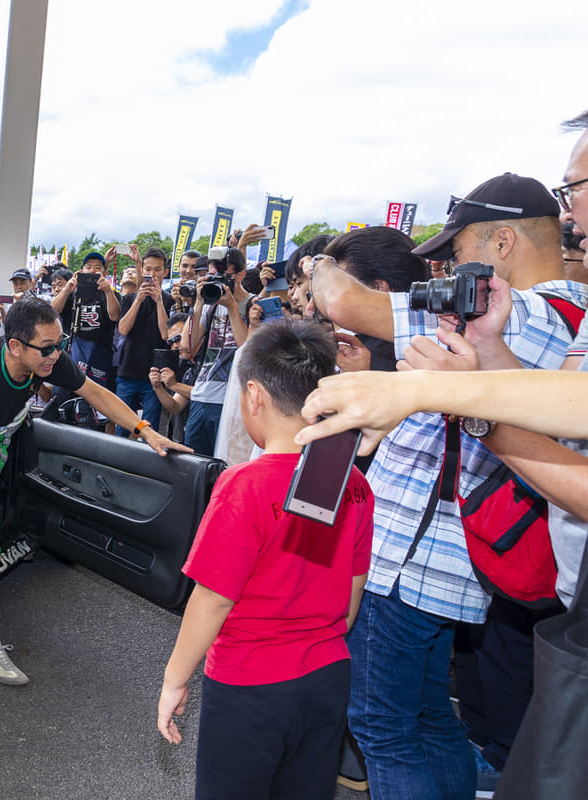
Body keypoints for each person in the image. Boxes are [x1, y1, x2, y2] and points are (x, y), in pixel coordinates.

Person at [309, 171, 585, 798]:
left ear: (504, 244)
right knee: (433, 723)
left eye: (458, 257)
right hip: (457, 559)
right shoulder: (572, 319)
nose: (447, 278)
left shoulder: (520, 311)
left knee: (382, 726)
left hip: (412, 557)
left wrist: (323, 261)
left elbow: (344, 303)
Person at [0, 297, 190, 684]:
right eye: (48, 348)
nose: (58, 355)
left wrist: (145, 432)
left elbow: (95, 393)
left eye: (61, 343)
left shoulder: (44, 355)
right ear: (16, 346)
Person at [157, 320, 373, 800]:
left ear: (253, 395)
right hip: (327, 674)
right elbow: (353, 593)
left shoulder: (244, 485)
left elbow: (212, 598)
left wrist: (175, 679)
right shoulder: (355, 484)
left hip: (248, 684)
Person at [182, 247, 249, 455]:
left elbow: (246, 348)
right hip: (201, 395)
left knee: (223, 463)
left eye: (223, 276)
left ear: (240, 275)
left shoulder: (253, 304)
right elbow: (188, 348)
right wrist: (199, 304)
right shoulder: (209, 306)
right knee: (194, 464)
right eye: (212, 276)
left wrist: (231, 307)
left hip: (230, 400)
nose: (217, 281)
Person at [114, 245, 175, 437]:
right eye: (148, 269)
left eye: (157, 270)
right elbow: (123, 329)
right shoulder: (130, 298)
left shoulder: (169, 300)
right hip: (128, 371)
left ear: (165, 272)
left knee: (150, 429)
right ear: (142, 270)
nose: (152, 274)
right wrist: (138, 300)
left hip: (154, 375)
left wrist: (158, 301)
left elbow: (166, 334)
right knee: (122, 426)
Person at [51, 251, 121, 391]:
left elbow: (114, 316)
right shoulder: (72, 294)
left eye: (97, 267)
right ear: (81, 271)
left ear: (104, 272)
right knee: (64, 394)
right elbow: (52, 312)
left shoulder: (111, 294)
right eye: (88, 267)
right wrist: (66, 290)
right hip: (72, 352)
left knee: (95, 396)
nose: (92, 270)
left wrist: (108, 291)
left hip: (99, 354)